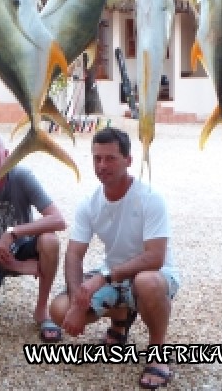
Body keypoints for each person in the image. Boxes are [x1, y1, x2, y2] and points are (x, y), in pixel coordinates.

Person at [49, 127, 181, 390]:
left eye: (110, 158)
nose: (102, 165)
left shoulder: (150, 199)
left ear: (128, 160)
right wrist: (77, 299)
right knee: (58, 311)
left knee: (147, 283)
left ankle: (158, 352)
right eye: (97, 158)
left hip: (155, 276)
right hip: (113, 277)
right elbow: (74, 254)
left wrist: (102, 278)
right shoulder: (89, 203)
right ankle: (120, 321)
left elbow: (154, 257)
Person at [0, 131, 66, 343]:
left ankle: (42, 308)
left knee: (50, 240)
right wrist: (18, 266)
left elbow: (58, 220)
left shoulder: (22, 177)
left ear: (6, 155)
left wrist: (13, 233)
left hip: (22, 245)